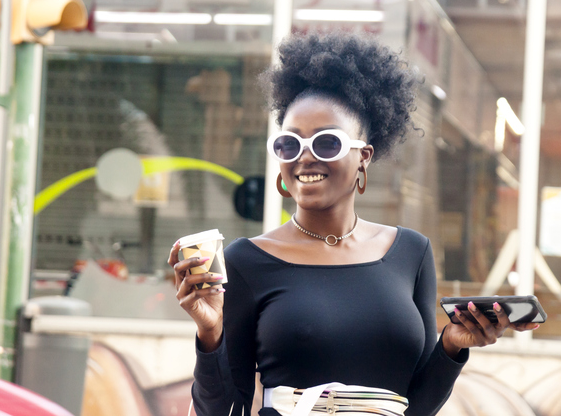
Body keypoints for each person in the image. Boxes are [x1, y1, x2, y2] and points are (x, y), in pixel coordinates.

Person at [169, 32, 539, 416]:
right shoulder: (246, 261)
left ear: (363, 157)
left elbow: (419, 406)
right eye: (289, 145)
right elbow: (223, 410)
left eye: (326, 143)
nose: (305, 158)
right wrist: (210, 333)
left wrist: (452, 345)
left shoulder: (411, 253)